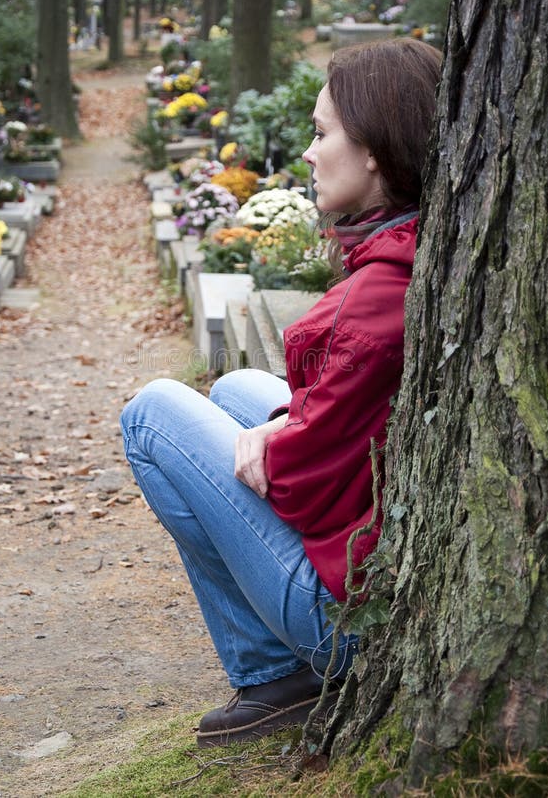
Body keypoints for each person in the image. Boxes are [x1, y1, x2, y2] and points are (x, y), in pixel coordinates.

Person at [121, 38, 442, 748]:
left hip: (348, 622)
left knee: (151, 416)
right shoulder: (413, 250)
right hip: (376, 561)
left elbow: (297, 487)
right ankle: (275, 667)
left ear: (374, 152)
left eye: (322, 133)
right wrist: (275, 421)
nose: (307, 152)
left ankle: (276, 671)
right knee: (239, 388)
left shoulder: (377, 297)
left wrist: (274, 439)